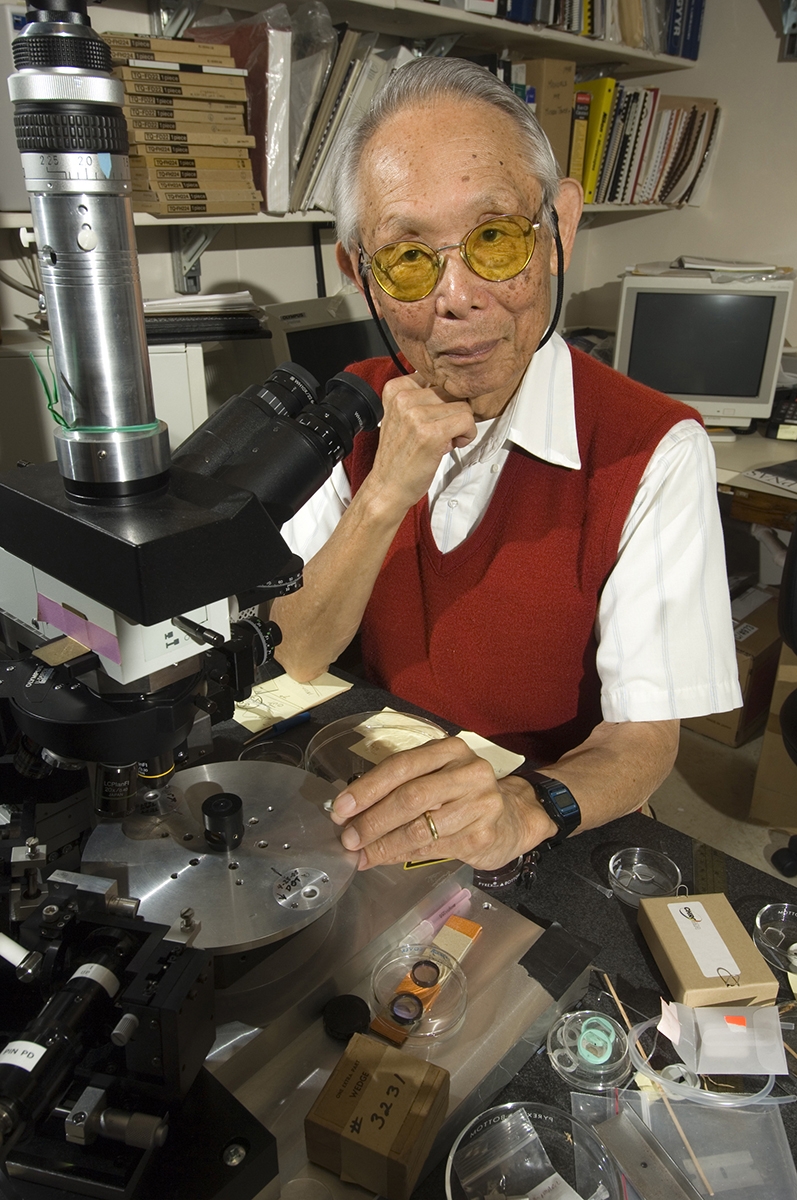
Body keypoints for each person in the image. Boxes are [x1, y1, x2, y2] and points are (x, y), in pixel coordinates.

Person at [271, 57, 741, 873]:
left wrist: (524, 807)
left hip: (549, 811)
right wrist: (384, 492)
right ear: (362, 278)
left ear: (557, 231)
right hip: (382, 778)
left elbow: (641, 741)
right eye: (409, 259)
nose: (457, 297)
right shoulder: (354, 405)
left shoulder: (653, 448)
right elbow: (293, 653)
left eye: (492, 240)